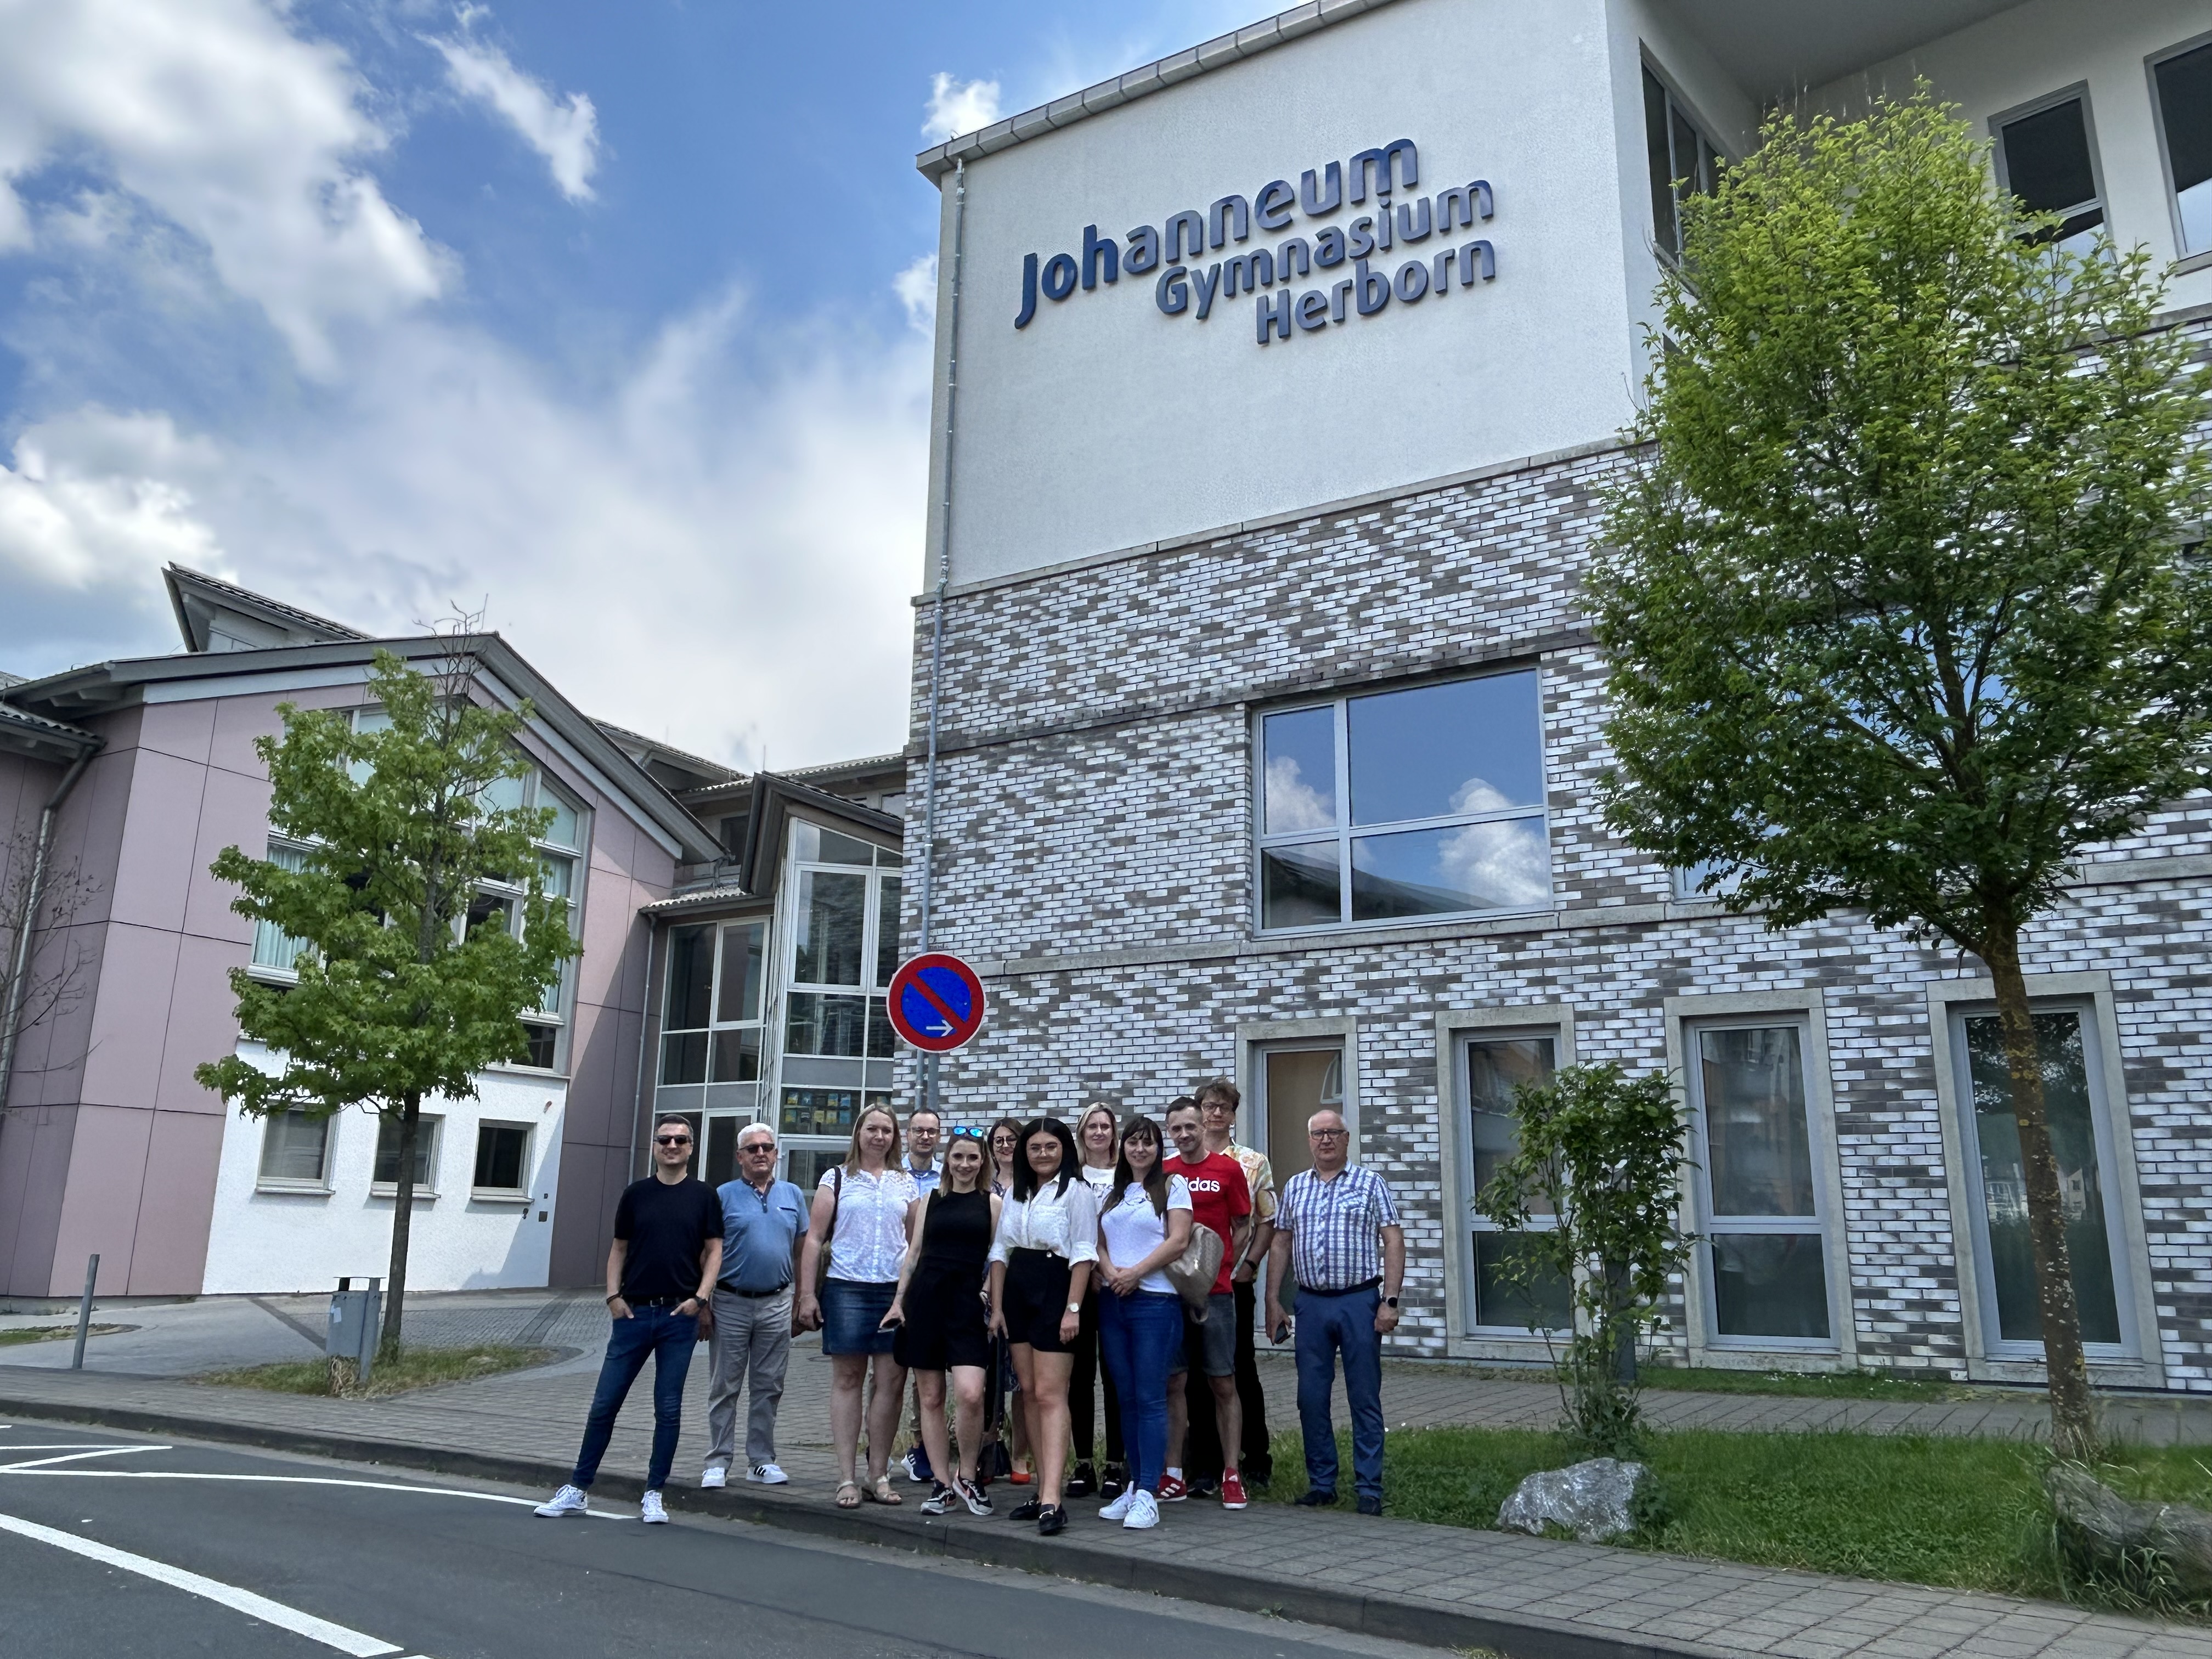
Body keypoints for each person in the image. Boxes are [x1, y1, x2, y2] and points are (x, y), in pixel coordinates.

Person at [537, 1114, 722, 1524]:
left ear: (691, 1147)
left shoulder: (704, 1196)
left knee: (668, 1409)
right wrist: (612, 1297)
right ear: (654, 1146)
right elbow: (618, 1248)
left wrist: (700, 1298)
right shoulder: (635, 1194)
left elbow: (714, 1251)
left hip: (679, 1316)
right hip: (633, 1314)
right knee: (605, 1404)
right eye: (664, 1140)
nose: (672, 1146)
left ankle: (654, 1493)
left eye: (680, 1140)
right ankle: (578, 1489)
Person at [1264, 1108, 1404, 1517]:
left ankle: (1368, 1487)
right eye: (1318, 1134)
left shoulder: (1370, 1183)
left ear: (1346, 1138)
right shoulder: (1295, 1187)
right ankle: (1322, 1483)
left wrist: (1390, 1300)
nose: (1326, 1140)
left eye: (1334, 1133)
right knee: (1311, 1397)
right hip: (1311, 1303)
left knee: (1363, 1395)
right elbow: (1280, 1244)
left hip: (1359, 1302)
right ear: (1309, 1141)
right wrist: (1274, 1300)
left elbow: (1393, 1241)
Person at [794, 1104, 918, 1510]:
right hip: (847, 1289)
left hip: (892, 1292)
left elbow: (916, 1243)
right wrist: (808, 1294)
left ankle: (878, 1475)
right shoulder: (837, 1178)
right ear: (858, 1133)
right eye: (872, 1129)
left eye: (887, 1130)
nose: (879, 1136)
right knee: (848, 1380)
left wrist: (911, 1292)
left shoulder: (906, 1182)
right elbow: (814, 1238)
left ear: (895, 1137)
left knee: (890, 1384)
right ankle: (846, 1477)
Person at [986, 1116, 1097, 1536]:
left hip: (1057, 1287)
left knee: (1052, 1395)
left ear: (1064, 1149)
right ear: (1024, 1153)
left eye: (1051, 1147)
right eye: (1035, 1148)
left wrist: (1073, 1308)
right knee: (1029, 1392)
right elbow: (1000, 1251)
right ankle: (1039, 1488)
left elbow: (1084, 1252)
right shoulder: (1017, 1192)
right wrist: (997, 1307)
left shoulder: (1078, 1192)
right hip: (1019, 1288)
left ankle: (1054, 1497)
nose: (1043, 1154)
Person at [883, 1126, 1000, 1516]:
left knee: (970, 1393)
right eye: (958, 1157)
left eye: (972, 1157)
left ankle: (968, 1474)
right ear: (948, 1161)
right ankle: (942, 1481)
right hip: (926, 1301)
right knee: (930, 1397)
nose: (965, 1164)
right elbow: (913, 1255)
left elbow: (1001, 1258)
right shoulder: (929, 1200)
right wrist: (898, 1302)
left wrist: (987, 1295)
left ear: (982, 1162)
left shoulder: (993, 1203)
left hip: (967, 1304)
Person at [1093, 1113, 1193, 1532]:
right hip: (1114, 1303)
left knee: (1152, 1397)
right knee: (1127, 1398)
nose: (1139, 1149)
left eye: (1148, 1142)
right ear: (1123, 1146)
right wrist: (1112, 1271)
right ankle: (1135, 1485)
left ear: (1158, 1148)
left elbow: (1179, 1240)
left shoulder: (1173, 1186)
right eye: (1133, 1142)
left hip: (1155, 1302)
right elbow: (1096, 1242)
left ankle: (1151, 1492)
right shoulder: (1113, 1193)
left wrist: (1135, 1272)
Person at [702, 1121, 808, 1489]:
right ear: (740, 1157)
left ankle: (761, 1460)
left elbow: (803, 1250)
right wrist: (703, 1302)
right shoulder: (723, 1195)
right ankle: (718, 1461)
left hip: (777, 1302)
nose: (761, 1153)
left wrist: (802, 1298)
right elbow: (706, 1252)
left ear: (776, 1154)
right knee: (725, 1385)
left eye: (767, 1147)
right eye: (753, 1149)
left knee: (769, 1385)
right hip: (730, 1301)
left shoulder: (793, 1194)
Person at [1160, 1097, 1253, 1509]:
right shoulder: (1164, 1173)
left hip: (1216, 1292)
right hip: (1172, 1292)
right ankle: (1174, 1472)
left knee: (1223, 1382)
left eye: (1190, 1127)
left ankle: (1231, 1473)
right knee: (1174, 1383)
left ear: (1204, 1127)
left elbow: (1243, 1220)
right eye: (1176, 1129)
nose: (1184, 1135)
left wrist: (1229, 1263)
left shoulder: (1228, 1170)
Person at [1187, 1075, 1275, 1490]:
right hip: (1190, 1283)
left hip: (1232, 1279)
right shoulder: (1183, 1161)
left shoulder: (1253, 1162)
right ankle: (1203, 1461)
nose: (1216, 1113)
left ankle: (1255, 1456)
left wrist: (1251, 1264)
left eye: (1224, 1107)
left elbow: (1266, 1219)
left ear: (1234, 1114)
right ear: (1199, 1111)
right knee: (1195, 1374)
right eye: (1209, 1106)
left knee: (1239, 1368)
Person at [1066, 1101, 1125, 1499]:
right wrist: (1087, 1276)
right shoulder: (1071, 1178)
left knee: (1116, 1376)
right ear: (1082, 1134)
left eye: (1106, 1126)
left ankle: (1117, 1465)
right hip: (1081, 1288)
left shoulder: (1128, 1175)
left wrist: (1113, 1275)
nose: (1099, 1132)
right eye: (1092, 1126)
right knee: (1080, 1377)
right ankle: (1084, 1461)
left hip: (1122, 1286)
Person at [980, 1115, 1030, 1486]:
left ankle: (1020, 1457)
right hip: (981, 1289)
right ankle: (988, 1448)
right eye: (998, 1141)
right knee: (987, 1377)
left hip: (1019, 1287)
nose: (1004, 1146)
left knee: (1022, 1379)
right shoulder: (984, 1184)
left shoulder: (1032, 1185)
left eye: (1011, 1139)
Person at [897, 1104, 945, 1485]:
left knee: (925, 1375)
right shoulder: (893, 1177)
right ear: (907, 1134)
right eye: (918, 1130)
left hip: (933, 1286)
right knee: (888, 1373)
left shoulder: (947, 1178)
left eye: (931, 1131)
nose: (925, 1137)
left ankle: (920, 1447)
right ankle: (876, 1447)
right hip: (893, 1282)